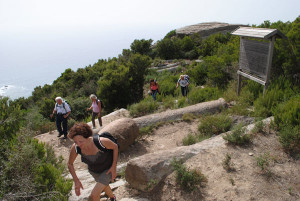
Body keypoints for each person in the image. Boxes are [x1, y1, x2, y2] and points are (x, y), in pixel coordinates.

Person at [67, 123, 118, 201]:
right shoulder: (76, 148)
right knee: (104, 185)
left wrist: (113, 167)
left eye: (81, 141)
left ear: (88, 137)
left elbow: (115, 147)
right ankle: (112, 198)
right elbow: (70, 164)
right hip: (94, 171)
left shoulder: (101, 142)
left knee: (94, 195)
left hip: (108, 169)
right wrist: (76, 181)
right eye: (76, 142)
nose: (78, 144)